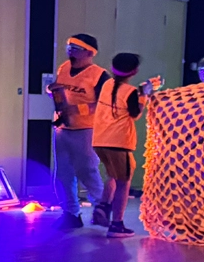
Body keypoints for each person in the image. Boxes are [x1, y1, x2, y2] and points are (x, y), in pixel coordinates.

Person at [91, 53, 158, 239]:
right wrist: (144, 95)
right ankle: (117, 225)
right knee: (124, 182)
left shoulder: (107, 84)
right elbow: (135, 114)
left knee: (112, 175)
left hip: (100, 140)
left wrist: (139, 91)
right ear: (134, 71)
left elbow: (120, 98)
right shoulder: (130, 92)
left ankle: (103, 207)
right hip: (119, 143)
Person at [48, 33, 108, 229]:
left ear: (89, 52)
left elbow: (104, 104)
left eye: (75, 47)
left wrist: (78, 109)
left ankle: (102, 211)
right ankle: (71, 213)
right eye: (69, 46)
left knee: (88, 171)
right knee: (63, 174)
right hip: (63, 127)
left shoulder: (99, 75)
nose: (70, 51)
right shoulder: (64, 68)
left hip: (86, 130)